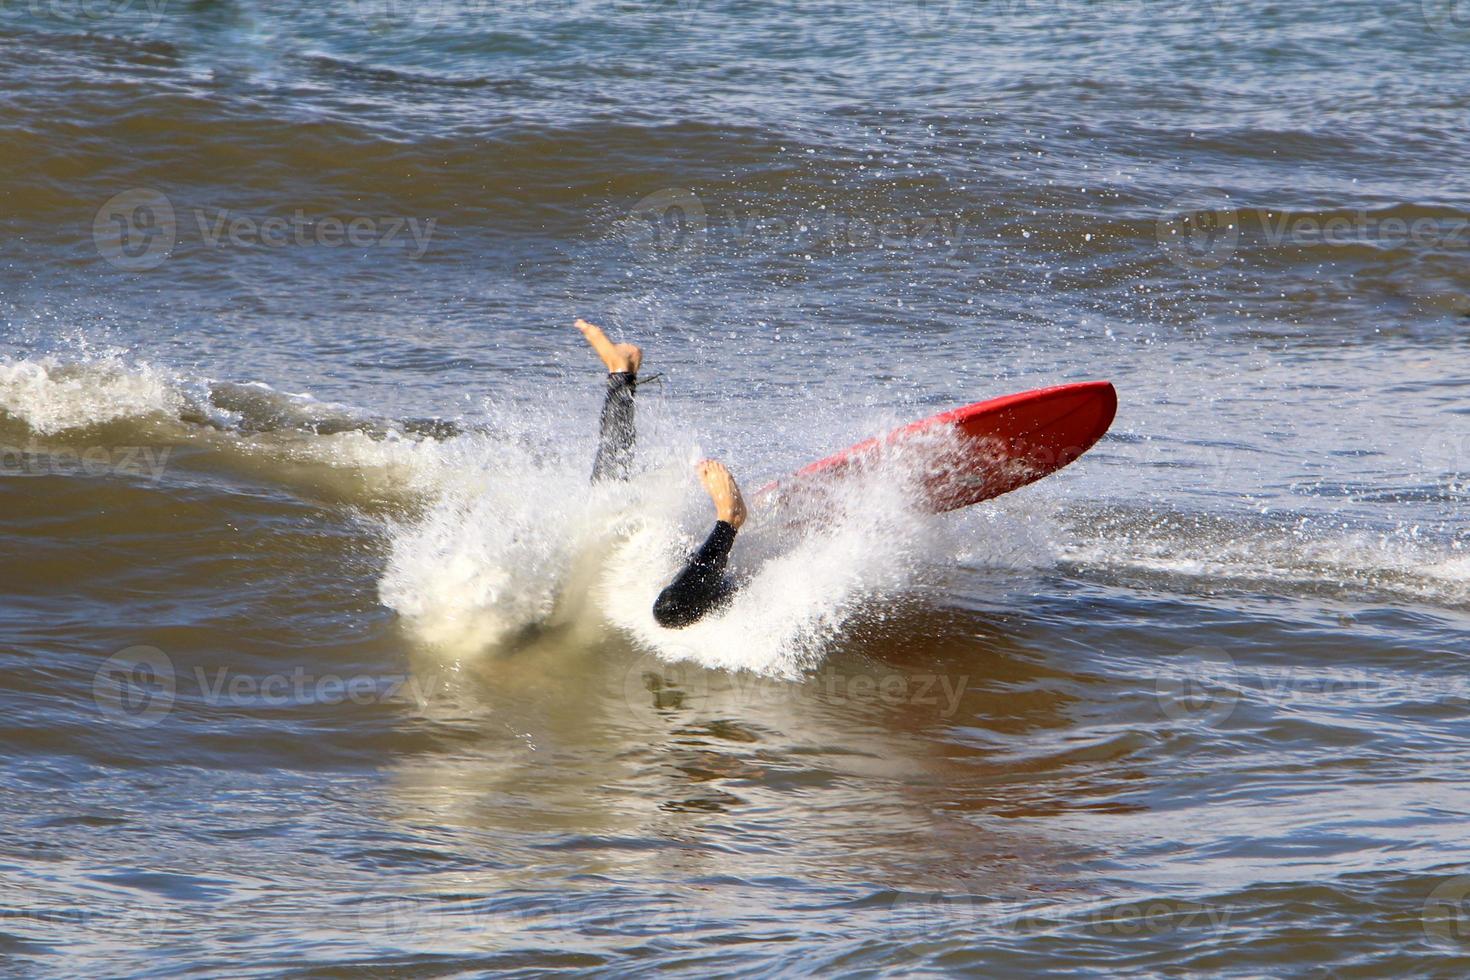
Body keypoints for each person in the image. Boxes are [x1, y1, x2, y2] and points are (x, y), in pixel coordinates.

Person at [575, 318, 747, 629]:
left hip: (630, 561)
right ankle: (620, 373)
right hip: (623, 559)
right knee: (608, 497)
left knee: (610, 506)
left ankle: (728, 520)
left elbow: (672, 610)